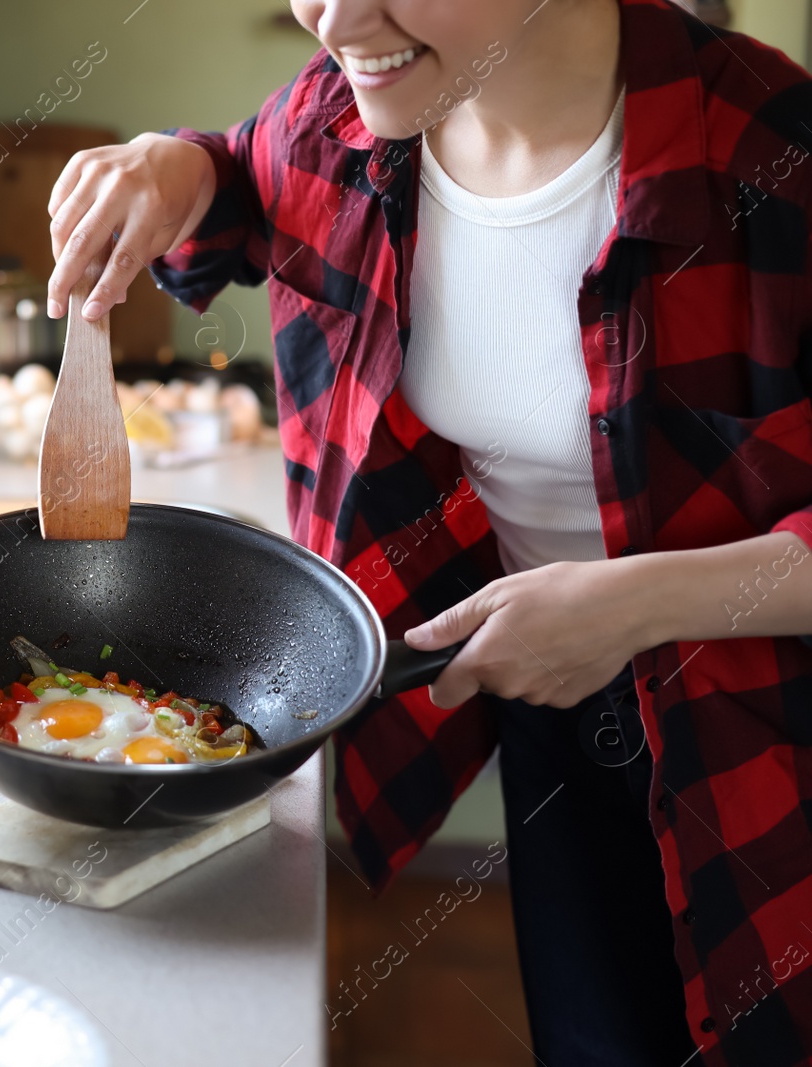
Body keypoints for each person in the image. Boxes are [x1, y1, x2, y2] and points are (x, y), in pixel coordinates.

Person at [45, 1, 812, 1063]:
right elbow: (239, 175)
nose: (333, 18)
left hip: (763, 725)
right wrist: (178, 170)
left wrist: (636, 602)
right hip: (552, 705)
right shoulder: (345, 120)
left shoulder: (775, 150)